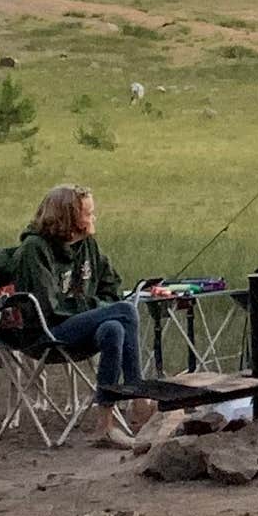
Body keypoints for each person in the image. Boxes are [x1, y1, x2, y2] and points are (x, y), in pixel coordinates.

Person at [18, 182, 155, 447]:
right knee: (125, 311)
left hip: (81, 327)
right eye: (88, 213)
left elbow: (110, 286)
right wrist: (98, 308)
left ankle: (104, 425)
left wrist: (101, 308)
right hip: (47, 332)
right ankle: (140, 400)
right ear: (68, 218)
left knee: (114, 327)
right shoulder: (34, 250)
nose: (94, 218)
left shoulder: (88, 245)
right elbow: (50, 308)